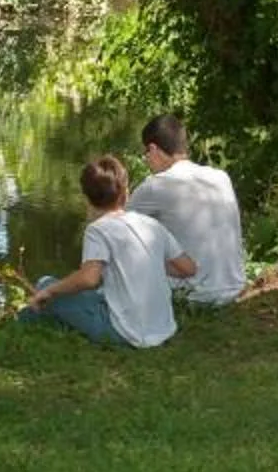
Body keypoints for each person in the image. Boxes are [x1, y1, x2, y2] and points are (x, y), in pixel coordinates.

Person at [17, 153, 197, 346]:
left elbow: (89, 279)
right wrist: (150, 261)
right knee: (82, 293)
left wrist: (50, 291)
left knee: (46, 284)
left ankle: (21, 326)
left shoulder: (98, 230)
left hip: (125, 333)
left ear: (87, 198)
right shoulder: (151, 224)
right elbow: (188, 268)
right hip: (163, 329)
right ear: (126, 193)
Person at [131, 114, 245, 307]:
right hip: (235, 288)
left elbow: (117, 229)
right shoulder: (220, 177)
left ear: (153, 149)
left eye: (146, 153)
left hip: (194, 296)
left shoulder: (155, 185)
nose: (146, 160)